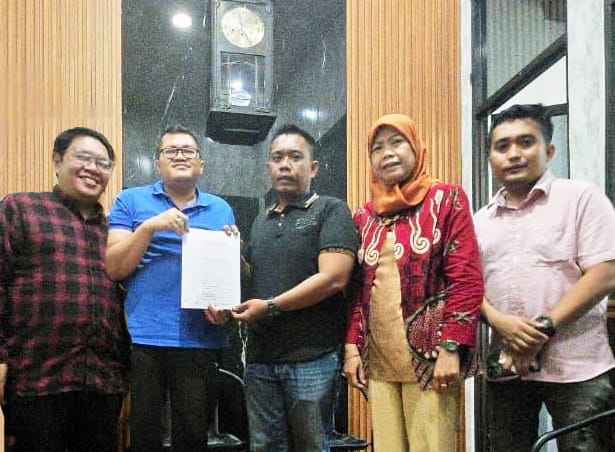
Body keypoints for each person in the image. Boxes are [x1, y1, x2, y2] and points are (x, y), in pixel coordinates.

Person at [474, 103, 615, 452]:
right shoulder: (479, 222)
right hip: (507, 367)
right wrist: (500, 323)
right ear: (490, 158)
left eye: (526, 142)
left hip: (578, 366)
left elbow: (605, 272)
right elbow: (467, 286)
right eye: (502, 146)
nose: (514, 154)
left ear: (548, 150)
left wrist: (542, 329)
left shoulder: (581, 198)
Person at [344, 114, 484, 452]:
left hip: (432, 357)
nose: (387, 153)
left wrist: (451, 348)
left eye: (397, 143)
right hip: (379, 360)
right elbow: (357, 292)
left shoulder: (446, 199)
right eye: (377, 148)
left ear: (417, 148)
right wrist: (351, 347)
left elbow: (466, 278)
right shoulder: (365, 216)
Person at [105, 125, 236, 452]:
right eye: (171, 151)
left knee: (193, 436)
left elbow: (226, 275)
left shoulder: (220, 208)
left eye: (188, 150)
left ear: (201, 164)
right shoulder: (130, 200)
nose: (180, 156)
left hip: (200, 338)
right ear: (157, 162)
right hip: (145, 336)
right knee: (144, 435)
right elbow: (114, 268)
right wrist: (150, 227)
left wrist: (225, 310)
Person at [228, 124, 357, 451]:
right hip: (261, 360)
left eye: (295, 157)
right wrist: (230, 256)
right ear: (268, 167)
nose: (285, 164)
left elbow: (334, 278)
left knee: (312, 446)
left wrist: (270, 306)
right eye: (277, 158)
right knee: (265, 447)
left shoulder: (331, 210)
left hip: (312, 358)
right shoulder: (261, 221)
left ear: (313, 168)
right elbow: (253, 280)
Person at [0, 127, 129, 452]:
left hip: (102, 383)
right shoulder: (21, 209)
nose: (93, 168)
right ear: (57, 160)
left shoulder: (116, 233)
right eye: (83, 157)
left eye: (103, 163)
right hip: (35, 380)